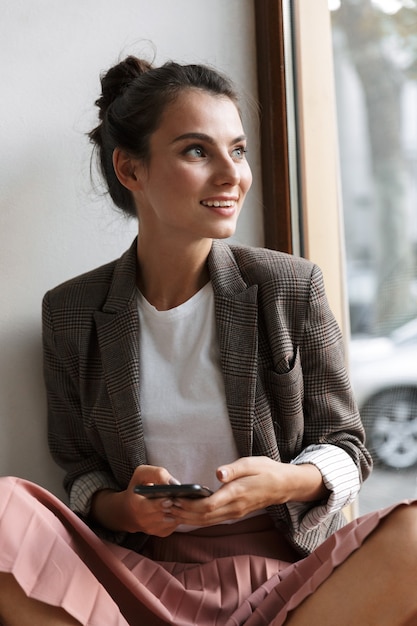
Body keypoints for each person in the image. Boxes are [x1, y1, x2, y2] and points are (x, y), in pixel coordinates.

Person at [0, 54, 416, 626]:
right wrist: (126, 507)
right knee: (2, 507)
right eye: (198, 151)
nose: (232, 174)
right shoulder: (71, 310)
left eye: (237, 150)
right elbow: (81, 471)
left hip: (286, 582)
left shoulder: (289, 286)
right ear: (130, 169)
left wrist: (282, 483)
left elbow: (348, 446)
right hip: (135, 580)